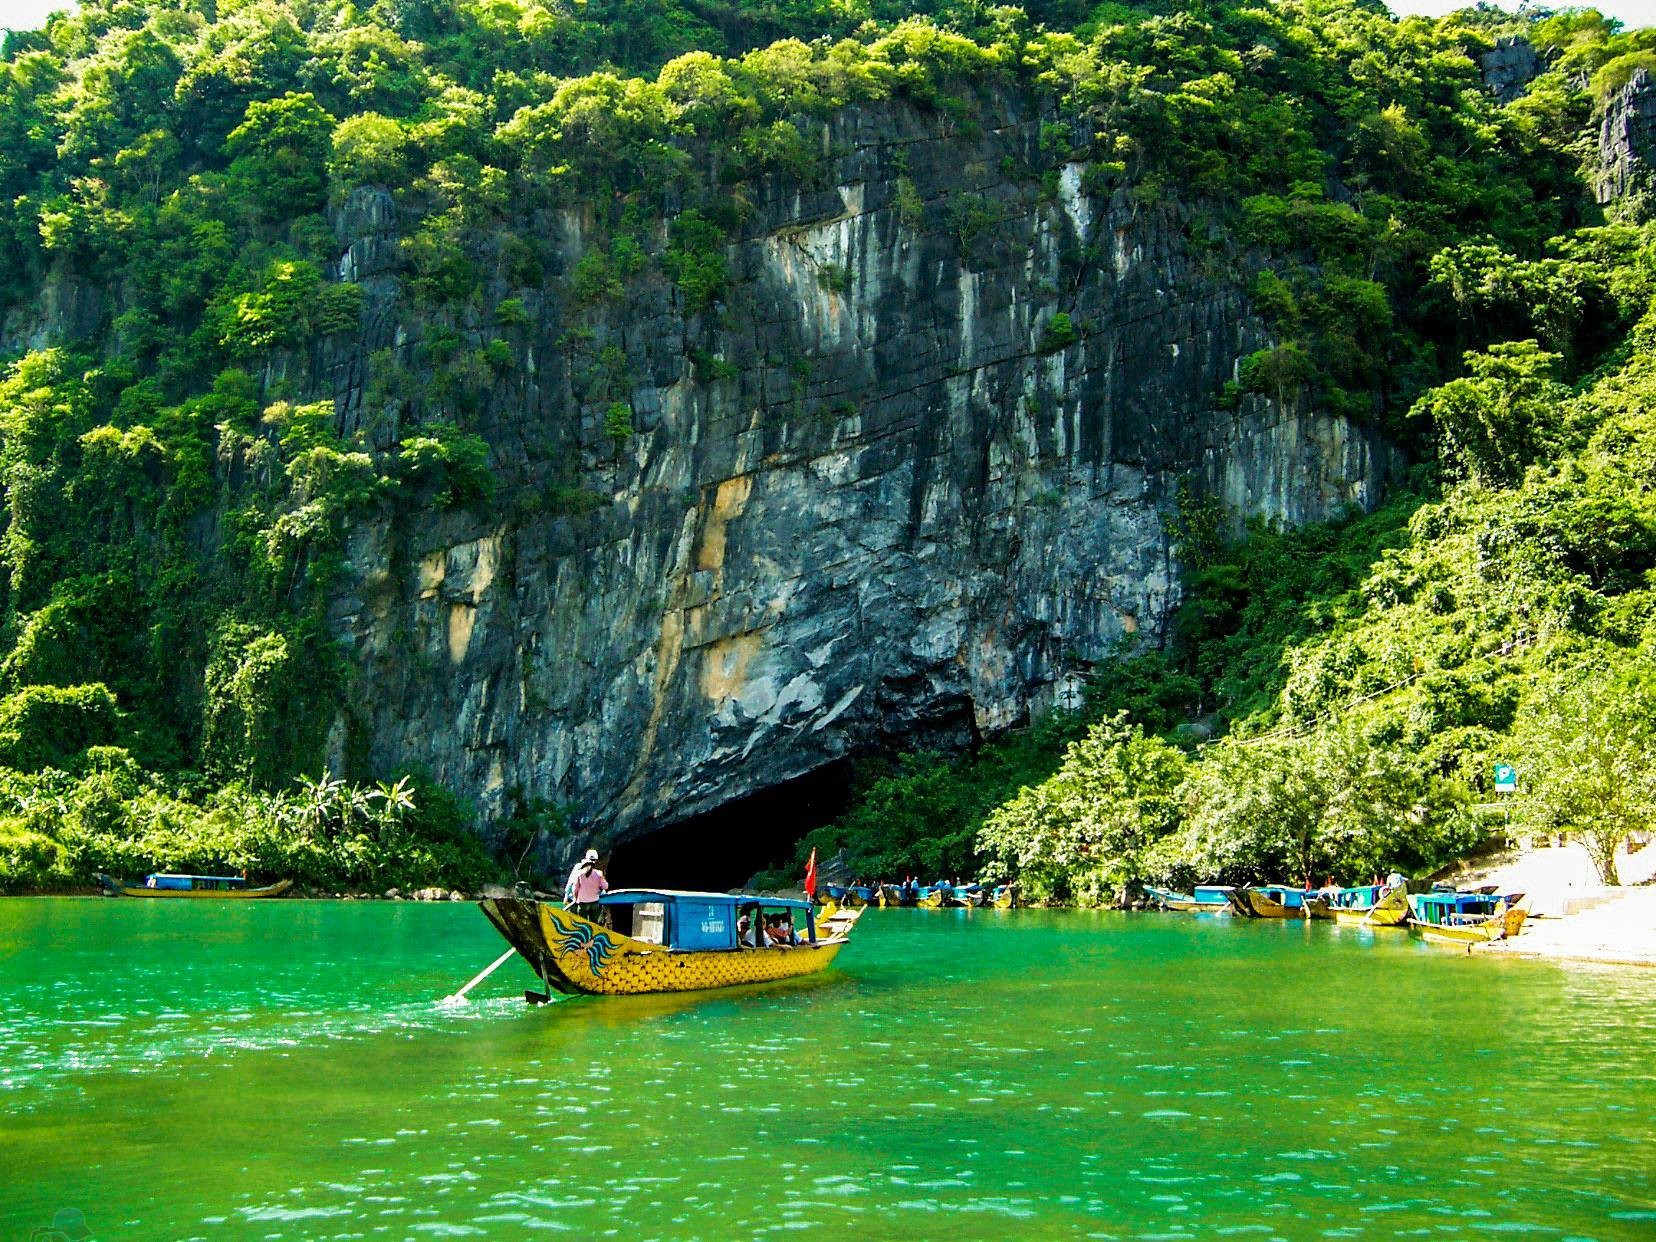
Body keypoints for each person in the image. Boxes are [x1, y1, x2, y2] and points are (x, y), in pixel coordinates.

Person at [564, 849, 609, 925]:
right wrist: (567, 895)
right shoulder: (582, 868)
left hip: (580, 900)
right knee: (590, 922)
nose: (594, 861)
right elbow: (571, 882)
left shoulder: (584, 871)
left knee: (581, 922)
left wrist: (571, 896)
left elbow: (574, 886)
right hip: (582, 899)